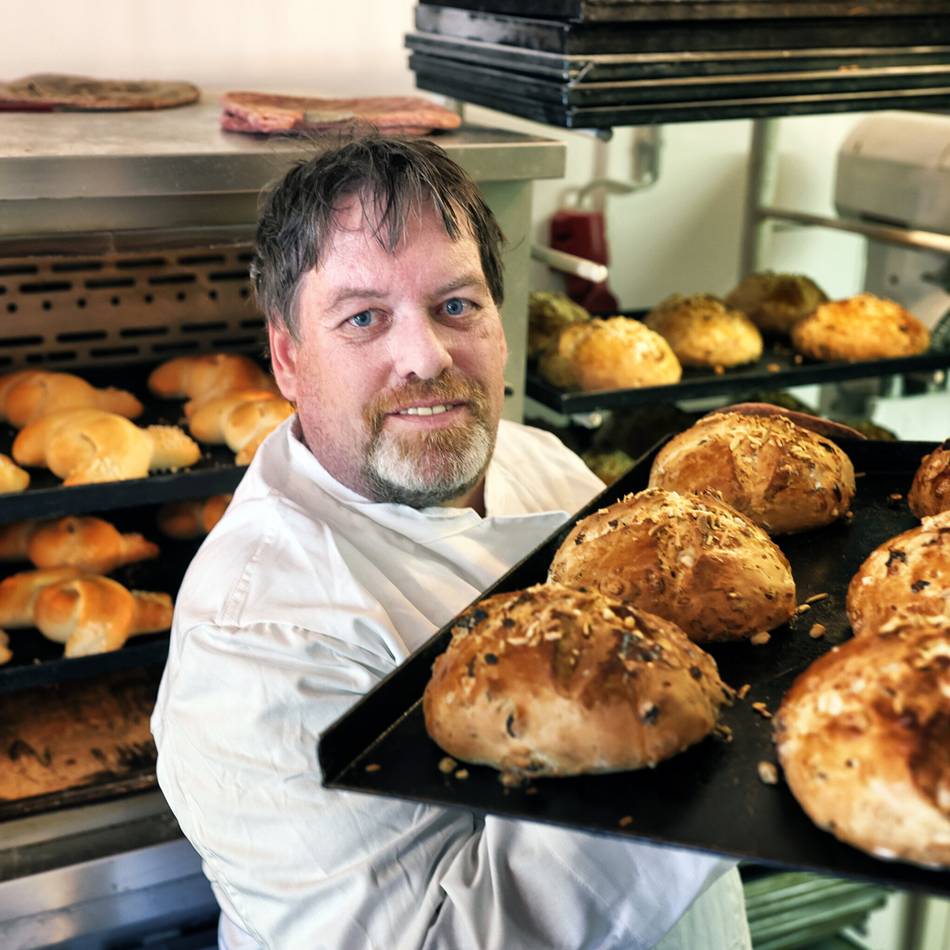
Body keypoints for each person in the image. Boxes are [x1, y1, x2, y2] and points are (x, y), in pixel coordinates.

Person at [151, 135, 752, 950]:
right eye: (364, 318)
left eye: (457, 306)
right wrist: (707, 745)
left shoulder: (539, 459)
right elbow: (432, 940)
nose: (425, 357)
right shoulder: (259, 639)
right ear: (288, 358)